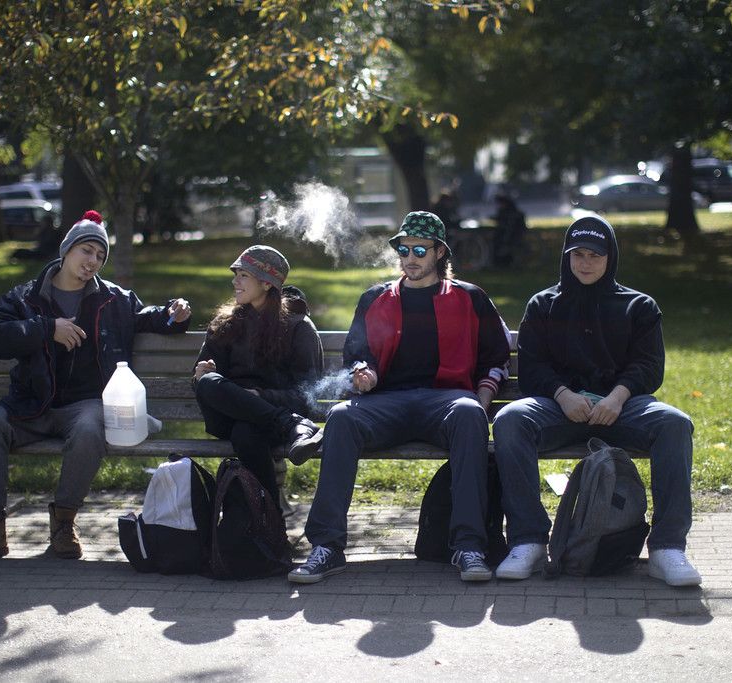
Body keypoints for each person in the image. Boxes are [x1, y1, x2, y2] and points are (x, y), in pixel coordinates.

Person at [0, 210, 192, 563]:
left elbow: (151, 317)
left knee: (88, 429)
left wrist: (175, 313)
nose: (93, 261)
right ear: (66, 250)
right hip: (31, 404)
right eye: (86, 251)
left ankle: (64, 523)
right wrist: (46, 328)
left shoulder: (114, 299)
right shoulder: (25, 297)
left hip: (85, 404)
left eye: (100, 255)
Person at [289, 211, 512, 584]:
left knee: (469, 413)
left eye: (419, 250)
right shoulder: (376, 298)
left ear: (439, 252)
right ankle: (326, 547)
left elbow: (497, 356)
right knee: (342, 417)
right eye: (404, 249)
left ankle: (469, 546)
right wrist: (364, 373)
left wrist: (483, 398)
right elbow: (357, 355)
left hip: (446, 401)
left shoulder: (469, 298)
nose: (410, 257)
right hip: (386, 404)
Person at [492, 215, 701, 586]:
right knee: (511, 419)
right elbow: (533, 369)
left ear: (610, 258)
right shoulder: (543, 304)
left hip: (621, 407)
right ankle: (528, 541)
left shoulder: (639, 306)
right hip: (560, 408)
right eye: (578, 255)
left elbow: (649, 367)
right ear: (567, 256)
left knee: (675, 424)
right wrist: (563, 395)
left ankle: (667, 548)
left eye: (595, 256)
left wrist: (617, 397)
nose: (585, 263)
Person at [192, 245, 324, 509]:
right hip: (230, 416)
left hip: (264, 422)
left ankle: (269, 519)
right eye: (236, 275)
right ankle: (290, 424)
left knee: (246, 432)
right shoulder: (225, 323)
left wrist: (261, 396)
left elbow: (306, 394)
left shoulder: (298, 327)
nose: (235, 282)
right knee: (207, 382)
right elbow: (205, 384)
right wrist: (200, 374)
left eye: (243, 276)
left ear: (266, 283)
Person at [491, 194, 528, 267]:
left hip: (510, 236)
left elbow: (508, 225)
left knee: (499, 244)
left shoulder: (510, 213)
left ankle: (501, 262)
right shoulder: (510, 211)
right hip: (509, 234)